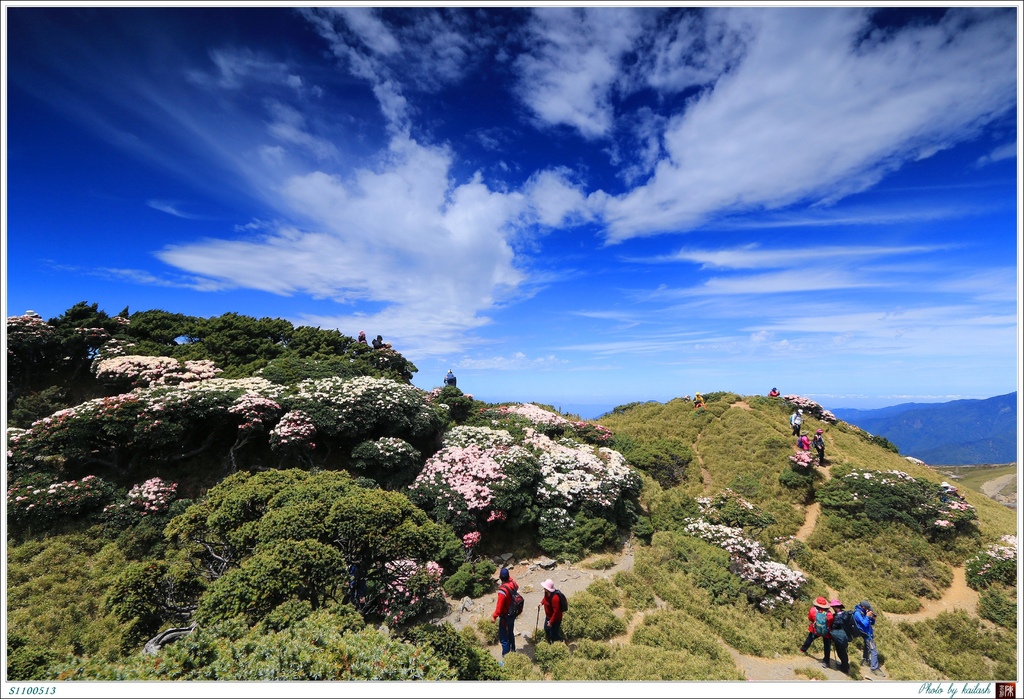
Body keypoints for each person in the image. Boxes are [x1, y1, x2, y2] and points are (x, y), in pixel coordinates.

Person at [492, 567, 519, 661]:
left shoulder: (502, 590)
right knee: (510, 633)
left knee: (504, 638)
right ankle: (513, 651)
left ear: (500, 577)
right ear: (508, 576)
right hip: (512, 614)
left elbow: (499, 607)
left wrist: (494, 616)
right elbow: (517, 585)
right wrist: (509, 579)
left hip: (505, 616)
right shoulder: (513, 584)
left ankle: (506, 659)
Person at [799, 596, 833, 667]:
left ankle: (803, 650)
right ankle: (826, 661)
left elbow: (809, 618)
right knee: (827, 646)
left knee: (810, 639)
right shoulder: (829, 614)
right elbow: (831, 622)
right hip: (826, 632)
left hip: (815, 629)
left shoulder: (813, 610)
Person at [854, 601, 885, 677]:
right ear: (863, 607)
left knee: (866, 647)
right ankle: (874, 668)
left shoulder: (863, 612)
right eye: (868, 609)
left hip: (868, 634)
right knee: (874, 651)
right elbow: (864, 623)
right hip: (866, 635)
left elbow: (870, 623)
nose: (868, 610)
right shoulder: (857, 613)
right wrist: (867, 616)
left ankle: (865, 659)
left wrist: (873, 618)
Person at [828, 599, 852, 673]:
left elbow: (835, 626)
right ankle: (846, 665)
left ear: (836, 607)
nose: (832, 608)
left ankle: (844, 668)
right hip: (846, 636)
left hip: (839, 636)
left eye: (833, 607)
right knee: (844, 652)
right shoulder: (846, 614)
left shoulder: (837, 617)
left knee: (840, 652)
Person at [539, 578, 565, 643]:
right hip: (548, 616)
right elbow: (545, 599)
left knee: (554, 635)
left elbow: (556, 612)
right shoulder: (546, 593)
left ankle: (561, 640)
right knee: (546, 629)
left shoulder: (555, 598)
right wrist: (541, 603)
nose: (543, 588)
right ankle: (550, 640)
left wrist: (551, 622)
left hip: (556, 619)